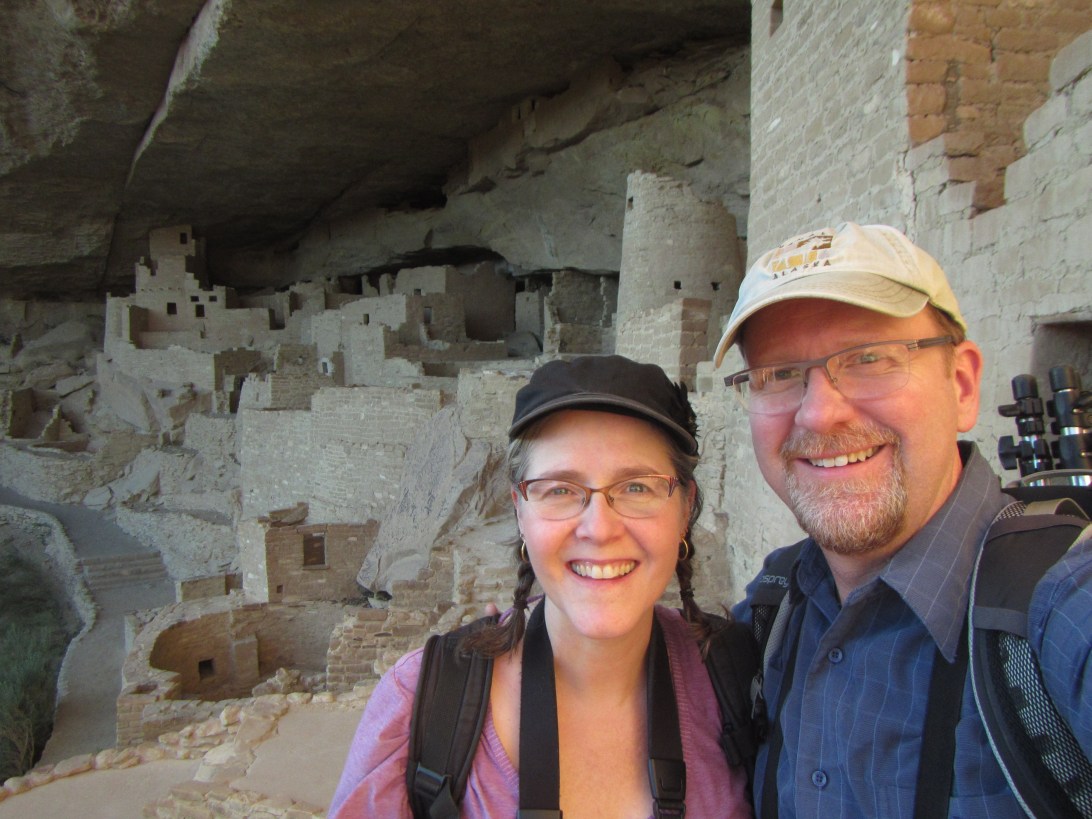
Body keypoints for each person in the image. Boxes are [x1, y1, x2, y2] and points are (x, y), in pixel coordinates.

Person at [713, 222, 1092, 818]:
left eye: (869, 358)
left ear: (961, 386)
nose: (819, 414)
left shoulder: (1059, 604)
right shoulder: (774, 612)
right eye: (779, 374)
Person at [329, 355, 754, 818]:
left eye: (637, 487)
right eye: (560, 490)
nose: (599, 529)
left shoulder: (741, 682)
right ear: (519, 510)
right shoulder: (423, 708)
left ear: (685, 508)